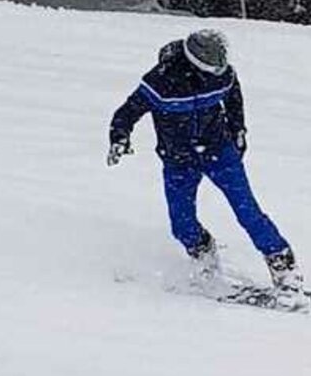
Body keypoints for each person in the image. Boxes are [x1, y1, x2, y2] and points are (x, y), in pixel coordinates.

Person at [108, 28, 299, 287]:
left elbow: (233, 97)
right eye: (213, 64)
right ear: (195, 60)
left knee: (248, 212)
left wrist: (238, 130)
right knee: (181, 224)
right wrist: (120, 136)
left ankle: (283, 267)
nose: (220, 70)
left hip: (219, 151)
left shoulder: (223, 75)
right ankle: (204, 255)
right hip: (178, 160)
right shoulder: (160, 81)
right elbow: (128, 111)